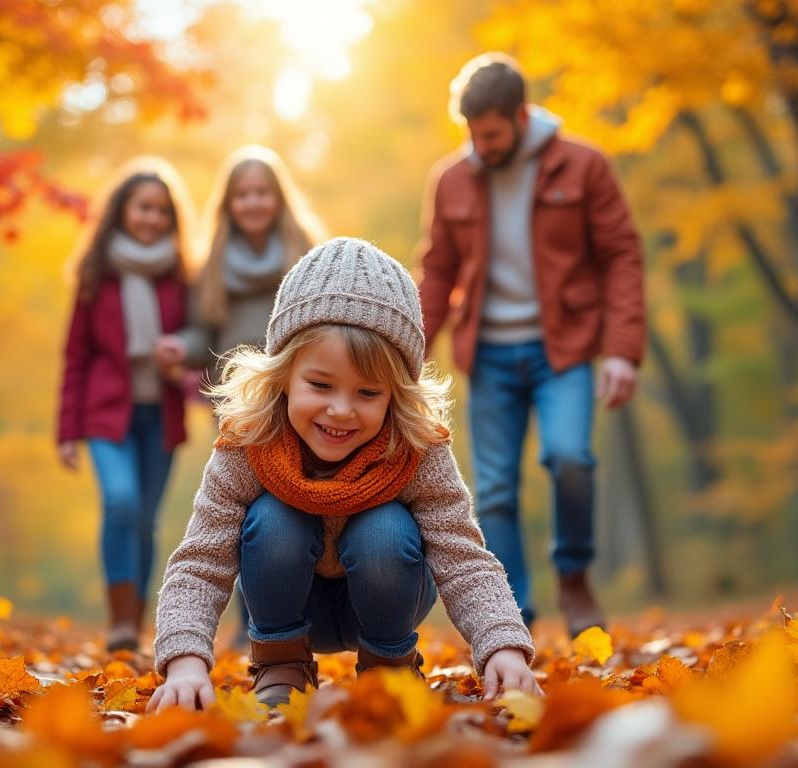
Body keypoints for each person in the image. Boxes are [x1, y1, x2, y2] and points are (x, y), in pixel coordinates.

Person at [147, 237, 539, 711]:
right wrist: (185, 660)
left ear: (396, 394)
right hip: (289, 603)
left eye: (368, 393)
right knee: (273, 517)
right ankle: (281, 664)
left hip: (384, 597)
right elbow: (201, 560)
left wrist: (503, 644)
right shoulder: (249, 442)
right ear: (283, 375)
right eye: (320, 384)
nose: (340, 410)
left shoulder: (415, 447)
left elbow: (462, 556)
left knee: (384, 528)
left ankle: (388, 669)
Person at [416, 53, 645, 636]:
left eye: (490, 134)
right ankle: (512, 613)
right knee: (492, 488)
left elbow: (621, 255)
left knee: (570, 456)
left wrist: (621, 350)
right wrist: (407, 352)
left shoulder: (582, 165)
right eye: (471, 134)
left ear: (519, 116)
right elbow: (438, 272)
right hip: (488, 353)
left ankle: (574, 577)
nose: (480, 146)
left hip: (561, 348)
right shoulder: (451, 179)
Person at [154, 147, 326, 647]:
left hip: (301, 398)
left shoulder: (305, 251)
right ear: (229, 204)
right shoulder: (212, 265)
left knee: (295, 499)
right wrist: (178, 348)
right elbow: (200, 332)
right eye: (242, 195)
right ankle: (250, 617)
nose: (252, 203)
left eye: (261, 193)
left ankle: (299, 611)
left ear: (278, 197)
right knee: (244, 507)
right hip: (238, 403)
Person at [56, 158, 195, 653]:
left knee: (147, 520)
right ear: (122, 211)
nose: (152, 218)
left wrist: (183, 351)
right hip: (106, 415)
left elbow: (200, 336)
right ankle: (120, 620)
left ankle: (133, 624)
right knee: (121, 503)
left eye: (161, 210)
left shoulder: (182, 277)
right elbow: (75, 355)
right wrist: (66, 431)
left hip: (161, 416)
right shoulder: (97, 276)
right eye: (143, 208)